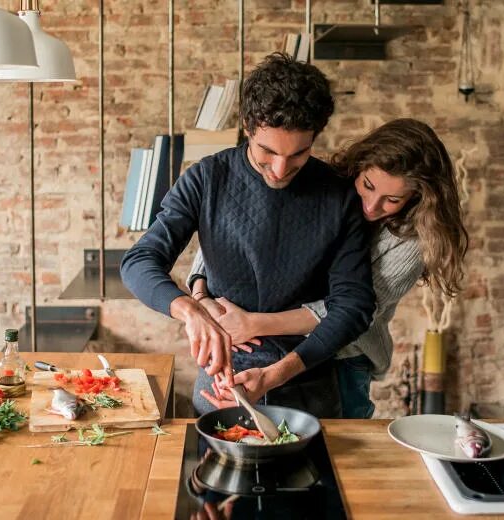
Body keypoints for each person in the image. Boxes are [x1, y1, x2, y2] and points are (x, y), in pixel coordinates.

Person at [120, 53, 376, 418]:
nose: (280, 169)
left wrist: (275, 375)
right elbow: (139, 261)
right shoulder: (207, 178)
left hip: (309, 377)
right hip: (223, 379)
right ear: (247, 126)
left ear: (316, 136)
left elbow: (354, 306)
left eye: (298, 153)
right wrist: (191, 310)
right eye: (267, 152)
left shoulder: (338, 195)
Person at [189, 118, 469, 418]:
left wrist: (254, 324)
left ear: (417, 198)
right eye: (368, 186)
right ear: (358, 167)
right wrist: (200, 295)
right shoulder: (322, 189)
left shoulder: (411, 243)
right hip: (266, 344)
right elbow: (231, 234)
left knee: (334, 452)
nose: (371, 206)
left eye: (392, 200)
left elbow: (349, 311)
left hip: (343, 359)